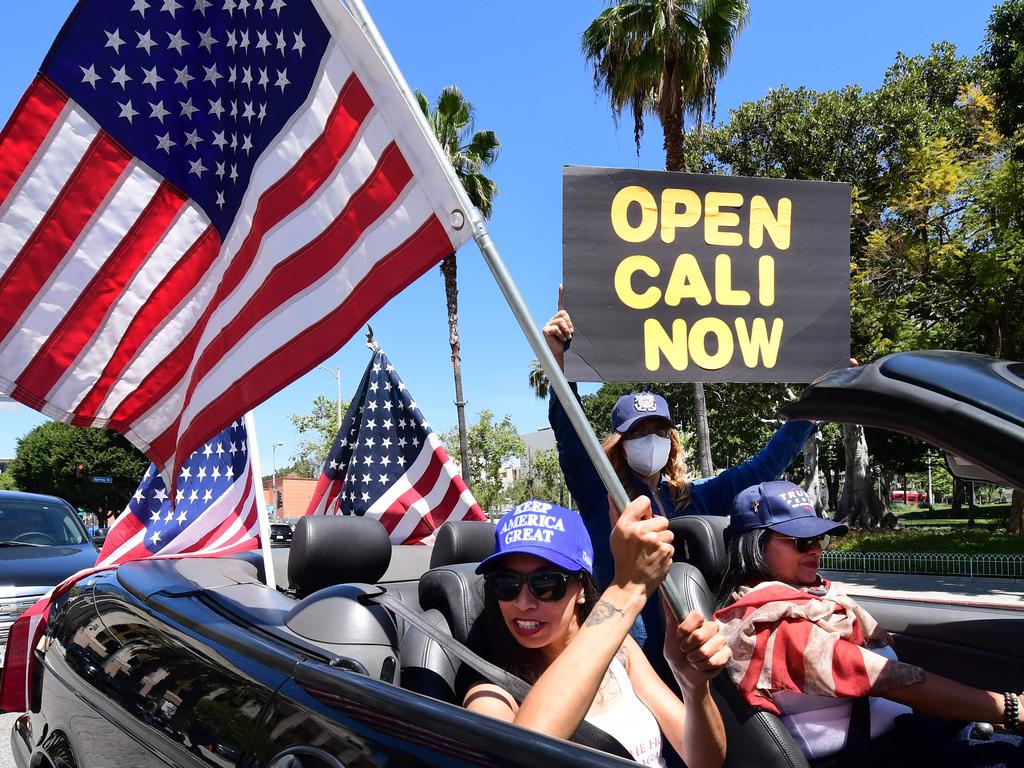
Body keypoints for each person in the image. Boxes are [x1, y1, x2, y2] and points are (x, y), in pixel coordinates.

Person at [543, 291, 816, 655]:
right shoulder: (602, 493)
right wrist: (558, 363)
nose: (649, 440)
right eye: (637, 433)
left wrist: (813, 407)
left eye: (658, 431)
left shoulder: (694, 496)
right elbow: (571, 433)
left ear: (672, 441)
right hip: (625, 651)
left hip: (690, 647)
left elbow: (764, 467)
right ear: (619, 443)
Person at [714, 480, 1023, 766]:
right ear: (754, 545)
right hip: (871, 756)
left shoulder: (814, 597)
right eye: (801, 540)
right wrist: (1011, 709)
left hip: (905, 737)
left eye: (818, 537)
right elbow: (886, 678)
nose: (816, 548)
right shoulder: (770, 621)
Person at [463, 497, 730, 768]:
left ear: (581, 587)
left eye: (546, 584)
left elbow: (704, 762)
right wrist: (627, 591)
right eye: (505, 584)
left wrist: (694, 688)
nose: (523, 603)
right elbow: (519, 758)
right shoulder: (491, 695)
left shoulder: (621, 652)